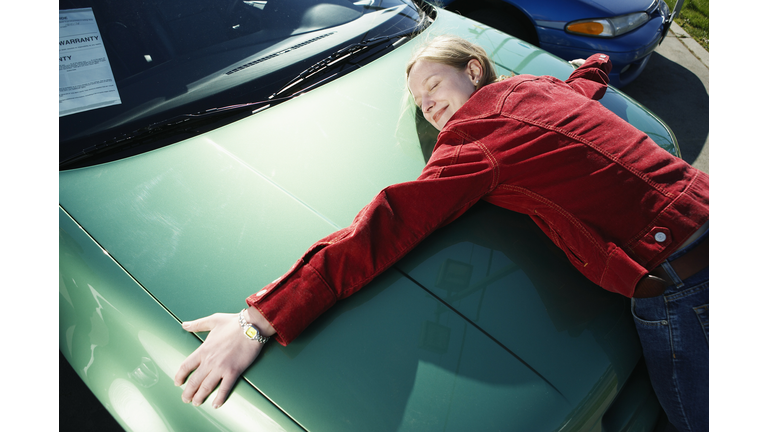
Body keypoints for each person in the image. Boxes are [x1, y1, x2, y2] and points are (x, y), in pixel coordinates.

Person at [175, 35, 708, 431]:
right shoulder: (535, 88)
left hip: (687, 287)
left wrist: (258, 320)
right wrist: (590, 66)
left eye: (433, 85)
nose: (428, 105)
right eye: (419, 101)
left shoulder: (476, 138)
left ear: (474, 70)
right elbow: (581, 89)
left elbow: (386, 224)